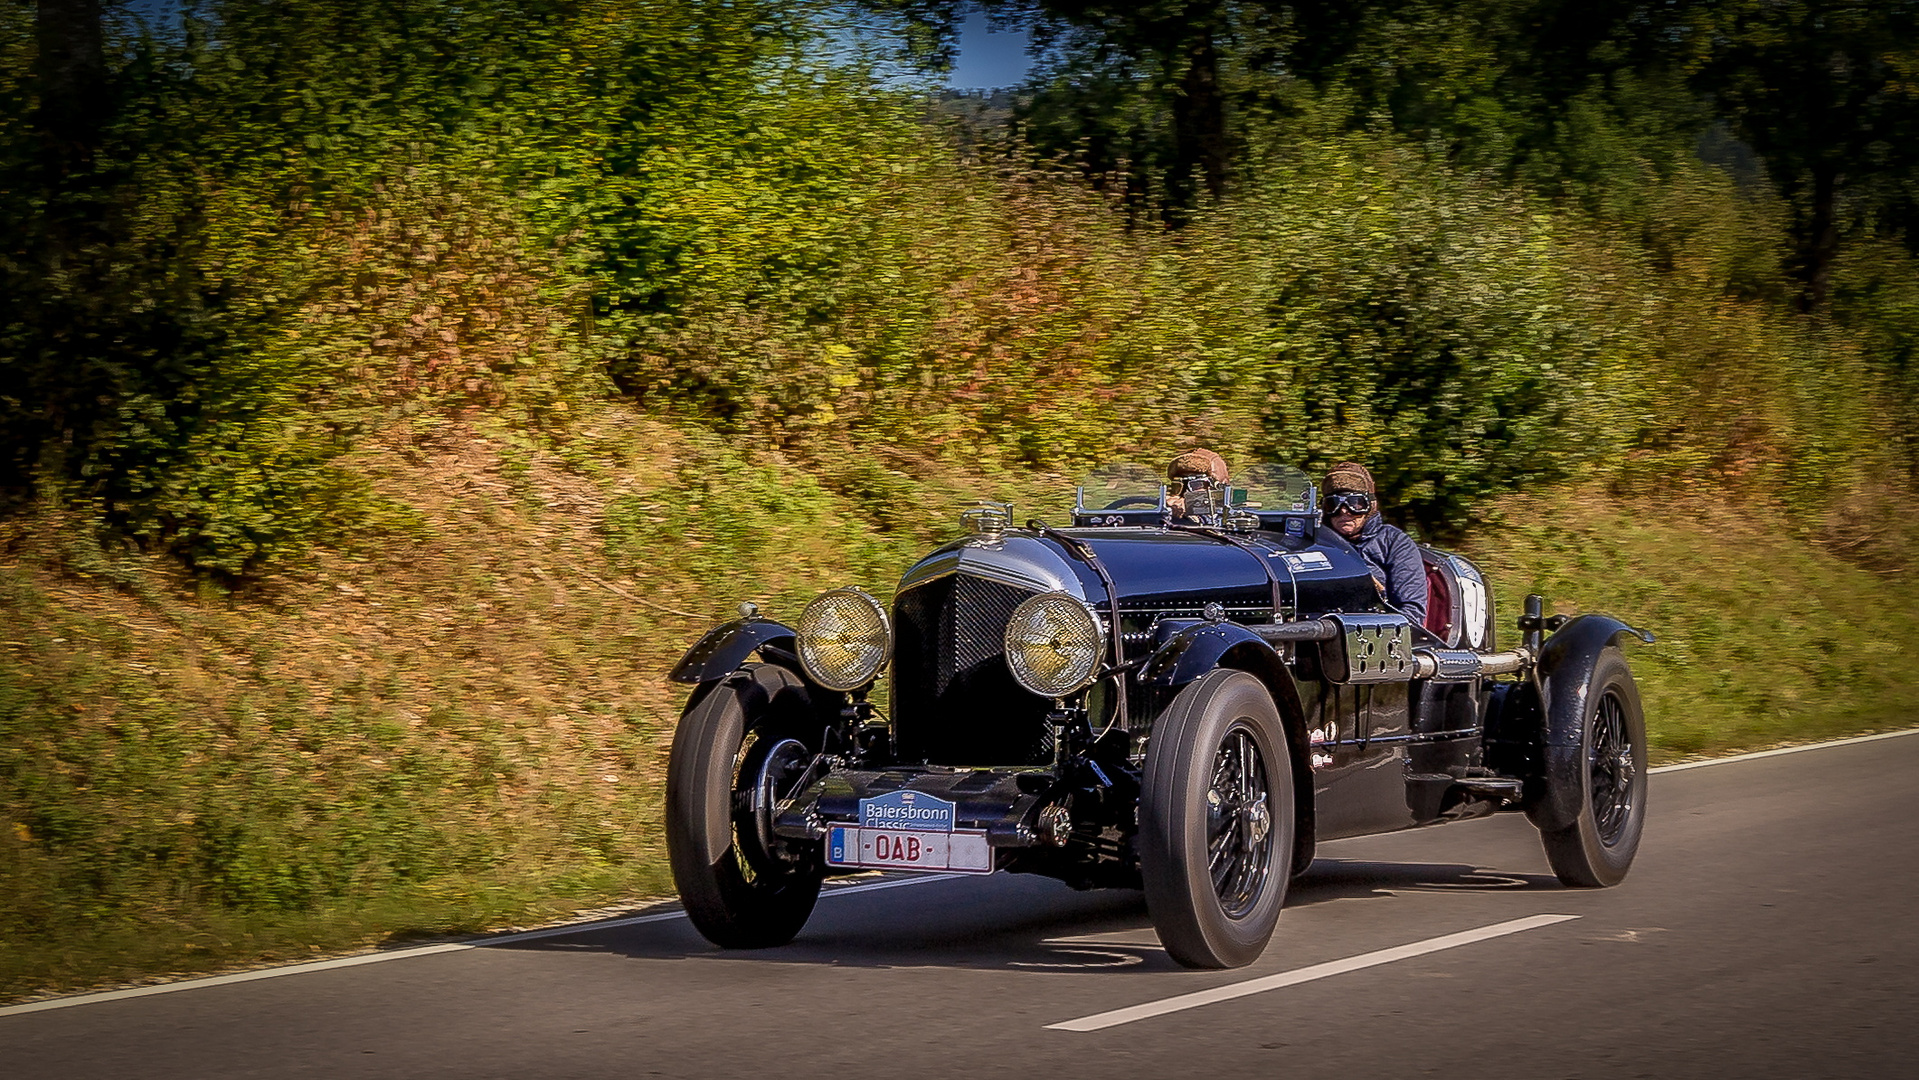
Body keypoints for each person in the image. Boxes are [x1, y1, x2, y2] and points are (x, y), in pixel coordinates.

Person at [1322, 462, 1428, 626]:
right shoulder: (1312, 543)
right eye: (1333, 504)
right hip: (1314, 631)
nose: (1344, 510)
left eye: (1355, 503)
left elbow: (1412, 614)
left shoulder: (1396, 543)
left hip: (1375, 638)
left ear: (1370, 506)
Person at [1166, 448, 1229, 525]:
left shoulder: (1234, 513)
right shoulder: (1168, 514)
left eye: (1197, 484)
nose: (1186, 491)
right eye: (1177, 486)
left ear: (1217, 486)